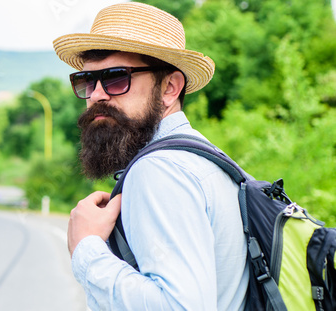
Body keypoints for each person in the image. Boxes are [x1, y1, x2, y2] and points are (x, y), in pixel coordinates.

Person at [53, 2, 249, 310]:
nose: (97, 95)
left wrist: (86, 248)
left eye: (117, 78)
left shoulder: (159, 170)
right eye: (87, 81)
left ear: (170, 87)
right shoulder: (206, 160)